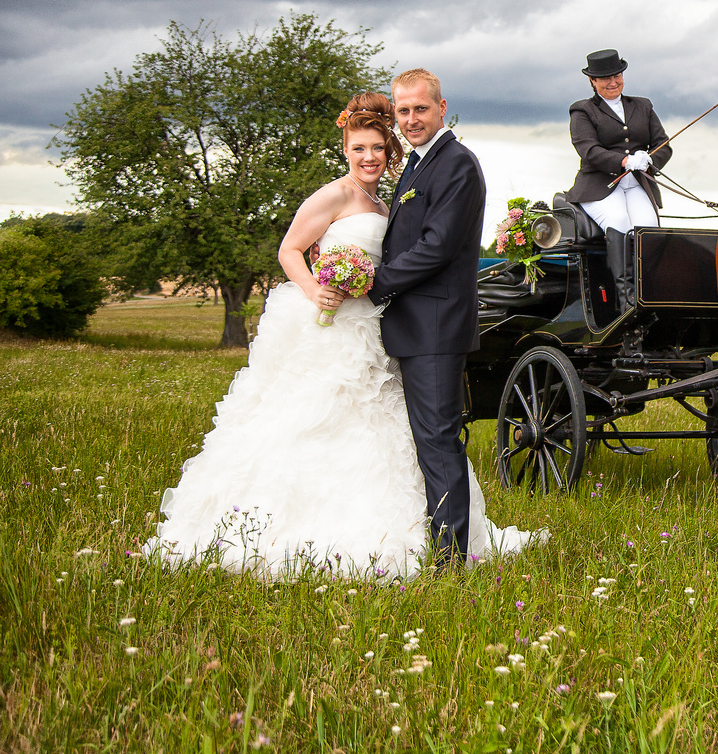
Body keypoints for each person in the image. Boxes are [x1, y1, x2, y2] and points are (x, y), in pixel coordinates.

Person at [146, 92, 534, 578]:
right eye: (358, 149)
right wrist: (316, 289)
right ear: (345, 151)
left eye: (376, 148)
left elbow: (418, 250)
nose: (368, 157)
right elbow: (291, 249)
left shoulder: (391, 195)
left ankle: (432, 543)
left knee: (387, 427)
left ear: (389, 149)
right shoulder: (333, 194)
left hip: (374, 324)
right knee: (311, 422)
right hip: (332, 325)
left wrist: (367, 283)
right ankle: (291, 527)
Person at [368, 68, 498, 568]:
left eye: (420, 109)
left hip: (437, 328)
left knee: (439, 440)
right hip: (415, 326)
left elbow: (438, 247)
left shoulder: (457, 164)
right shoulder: (420, 164)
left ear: (442, 108)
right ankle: (440, 546)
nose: (410, 119)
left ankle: (450, 560)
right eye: (402, 111)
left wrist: (373, 282)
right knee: (427, 438)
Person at [563, 49, 673, 312]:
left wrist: (649, 160)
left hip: (636, 183)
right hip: (600, 187)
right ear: (592, 81)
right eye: (604, 79)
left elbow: (663, 145)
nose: (612, 82)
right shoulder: (582, 110)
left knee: (646, 227)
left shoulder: (643, 106)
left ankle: (651, 297)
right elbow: (588, 150)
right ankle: (625, 303)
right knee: (619, 222)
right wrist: (623, 161)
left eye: (616, 76)